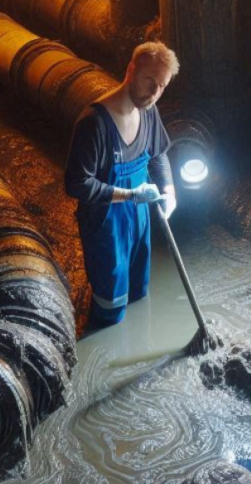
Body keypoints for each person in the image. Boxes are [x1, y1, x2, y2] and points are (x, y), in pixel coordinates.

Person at [64, 42, 179, 327]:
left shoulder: (149, 111)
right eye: (149, 81)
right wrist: (129, 195)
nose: (154, 93)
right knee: (111, 304)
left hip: (139, 217)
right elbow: (77, 184)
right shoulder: (94, 124)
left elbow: (158, 154)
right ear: (131, 70)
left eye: (161, 86)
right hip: (105, 224)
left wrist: (169, 191)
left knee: (139, 292)